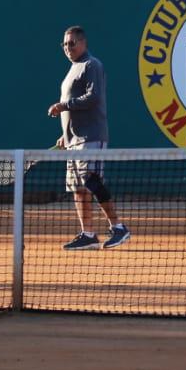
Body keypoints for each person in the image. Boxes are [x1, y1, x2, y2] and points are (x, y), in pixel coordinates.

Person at [47, 25, 129, 250]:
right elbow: (74, 108)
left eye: (71, 43)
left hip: (91, 135)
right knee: (78, 188)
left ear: (83, 43)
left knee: (90, 180)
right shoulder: (72, 69)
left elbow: (93, 97)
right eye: (64, 44)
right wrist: (65, 135)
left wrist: (63, 105)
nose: (67, 48)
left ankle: (119, 227)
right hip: (73, 139)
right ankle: (88, 234)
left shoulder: (92, 65)